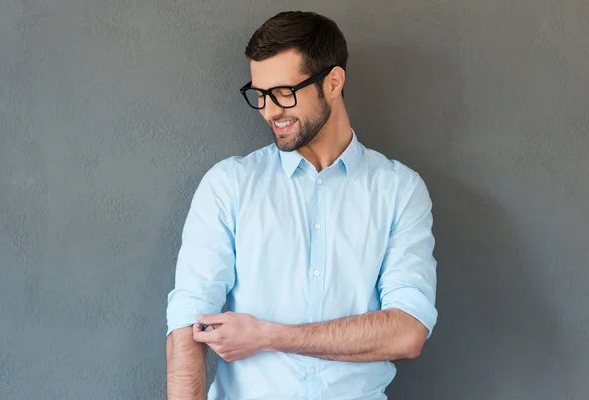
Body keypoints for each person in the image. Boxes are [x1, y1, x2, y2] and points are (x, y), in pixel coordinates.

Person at [166, 10, 438, 400]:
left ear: (333, 82)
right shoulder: (229, 185)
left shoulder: (399, 190)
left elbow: (407, 331)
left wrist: (268, 336)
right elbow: (186, 325)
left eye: (283, 93)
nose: (270, 110)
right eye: (260, 95)